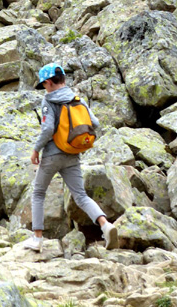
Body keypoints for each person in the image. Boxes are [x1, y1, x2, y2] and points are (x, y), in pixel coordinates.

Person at [23, 62, 119, 252]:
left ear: (49, 82)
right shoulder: (77, 99)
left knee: (38, 193)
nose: (44, 88)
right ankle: (105, 225)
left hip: (52, 155)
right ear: (63, 79)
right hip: (73, 154)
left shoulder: (49, 101)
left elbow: (48, 129)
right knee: (81, 195)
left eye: (44, 84)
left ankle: (37, 239)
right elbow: (95, 123)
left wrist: (35, 150)